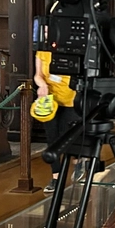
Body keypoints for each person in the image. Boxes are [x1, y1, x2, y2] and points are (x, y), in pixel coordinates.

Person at [33, 50, 81, 193]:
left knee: (65, 135)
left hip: (71, 100)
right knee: (52, 138)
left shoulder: (71, 49)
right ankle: (56, 177)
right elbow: (38, 75)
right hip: (50, 101)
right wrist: (42, 85)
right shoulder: (42, 52)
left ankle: (78, 161)